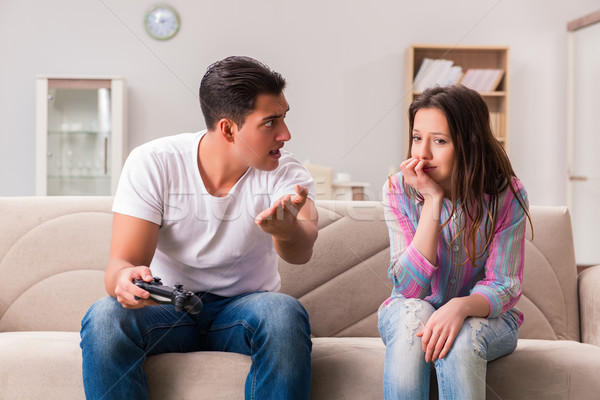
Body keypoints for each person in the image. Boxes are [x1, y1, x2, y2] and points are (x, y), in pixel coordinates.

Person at [80, 56, 318, 400]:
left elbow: (303, 249)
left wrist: (286, 232)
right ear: (228, 128)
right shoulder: (154, 162)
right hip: (168, 306)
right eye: (271, 122)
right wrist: (125, 280)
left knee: (283, 313)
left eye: (284, 117)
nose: (285, 134)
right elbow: (121, 264)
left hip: (244, 308)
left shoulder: (285, 172)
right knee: (104, 317)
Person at [377, 85, 531, 399]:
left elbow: (504, 283)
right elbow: (409, 289)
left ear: (469, 144)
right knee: (413, 316)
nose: (421, 154)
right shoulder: (398, 189)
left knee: (462, 336)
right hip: (410, 309)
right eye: (417, 137)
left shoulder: (507, 194)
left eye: (440, 141)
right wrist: (432, 200)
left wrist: (460, 307)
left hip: (486, 319)